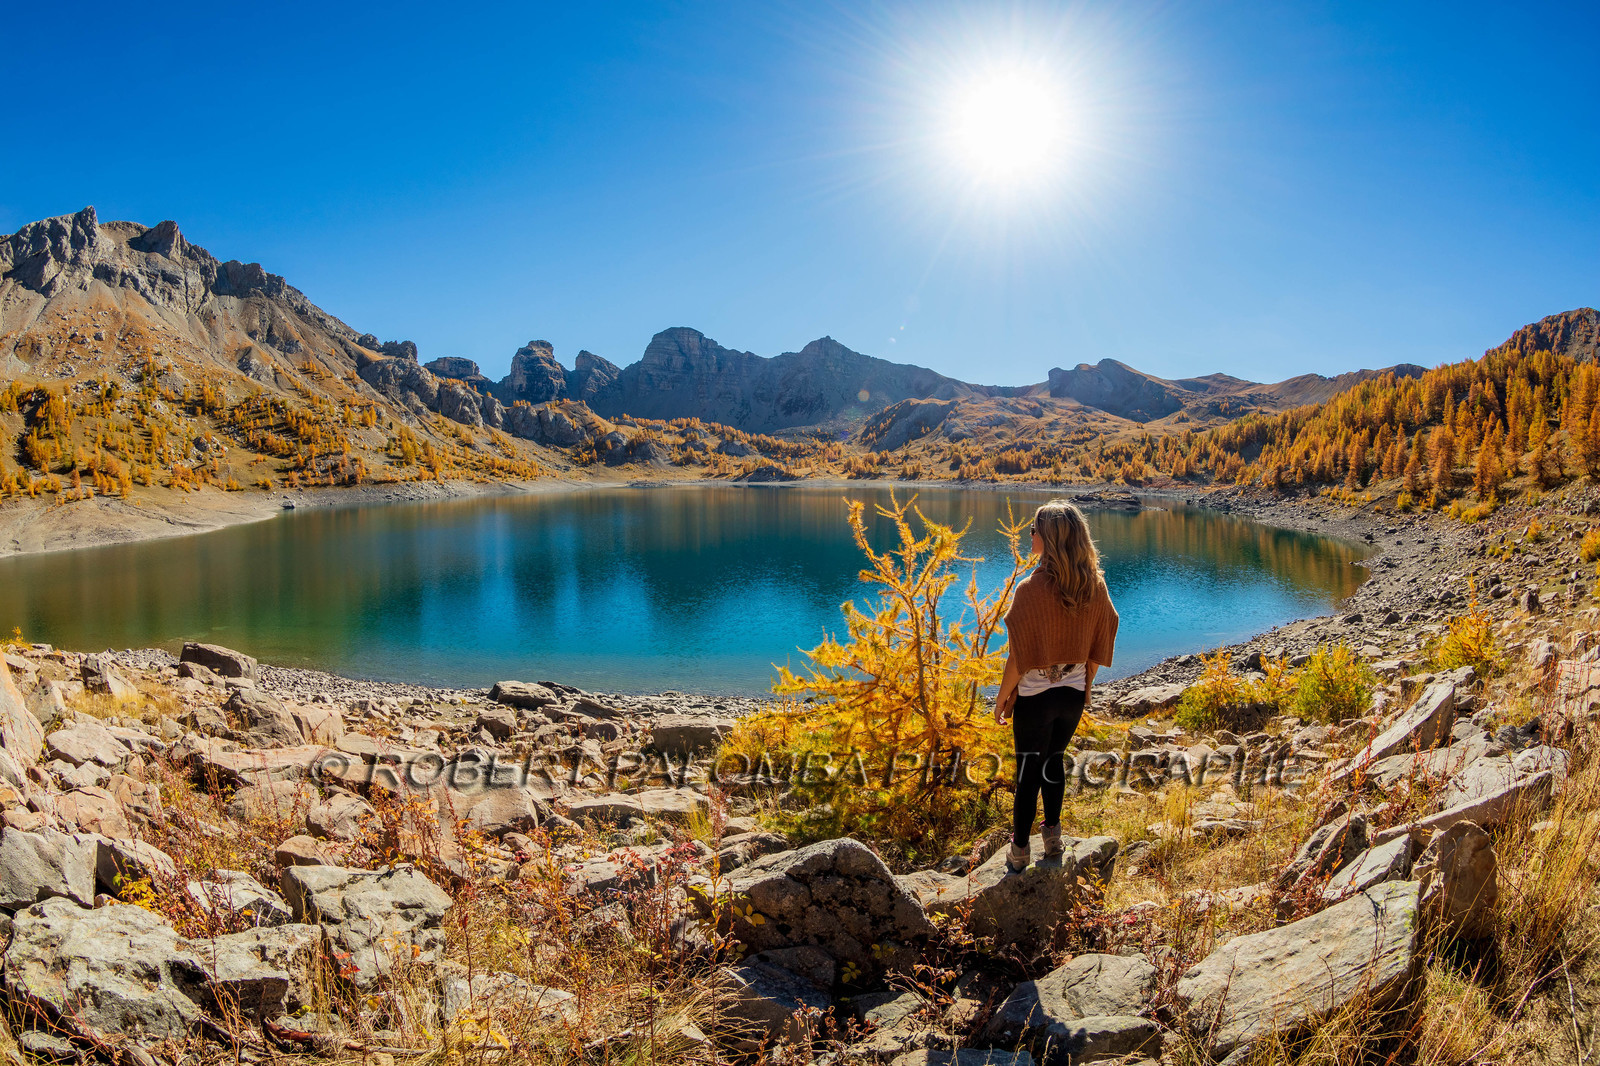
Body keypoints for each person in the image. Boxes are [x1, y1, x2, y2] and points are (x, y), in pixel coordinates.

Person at [993, 500, 1119, 874]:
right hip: (1072, 697)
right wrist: (1086, 682)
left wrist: (1002, 698)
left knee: (1028, 773)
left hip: (1036, 698)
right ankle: (1053, 838)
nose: (1029, 536)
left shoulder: (1030, 589)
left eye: (1033, 531)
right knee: (1054, 763)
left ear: (1047, 538)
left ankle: (1018, 851)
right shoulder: (1093, 583)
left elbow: (1019, 657)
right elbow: (1105, 631)